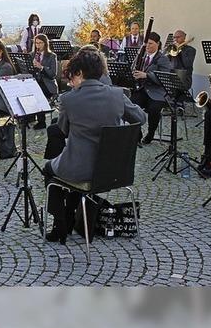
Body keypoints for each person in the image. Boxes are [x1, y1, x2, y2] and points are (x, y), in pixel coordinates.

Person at [43, 48, 146, 243]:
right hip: (113, 172)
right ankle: (73, 218)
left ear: (80, 73)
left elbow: (63, 130)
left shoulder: (69, 99)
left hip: (81, 171)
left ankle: (60, 223)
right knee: (72, 169)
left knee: (49, 169)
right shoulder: (118, 95)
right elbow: (140, 118)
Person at [130, 32, 174, 144]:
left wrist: (146, 75)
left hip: (158, 92)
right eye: (146, 44)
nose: (147, 46)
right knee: (131, 105)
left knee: (154, 109)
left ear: (158, 44)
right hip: (143, 90)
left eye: (150, 43)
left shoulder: (163, 59)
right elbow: (133, 69)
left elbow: (165, 77)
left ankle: (150, 133)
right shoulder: (142, 56)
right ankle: (137, 134)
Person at [31, 33, 58, 129]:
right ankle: (29, 118)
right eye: (36, 43)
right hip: (35, 82)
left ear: (45, 44)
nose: (38, 45)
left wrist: (41, 67)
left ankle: (41, 122)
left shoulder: (52, 56)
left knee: (38, 92)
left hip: (48, 84)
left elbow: (53, 74)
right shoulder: (32, 55)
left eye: (40, 43)